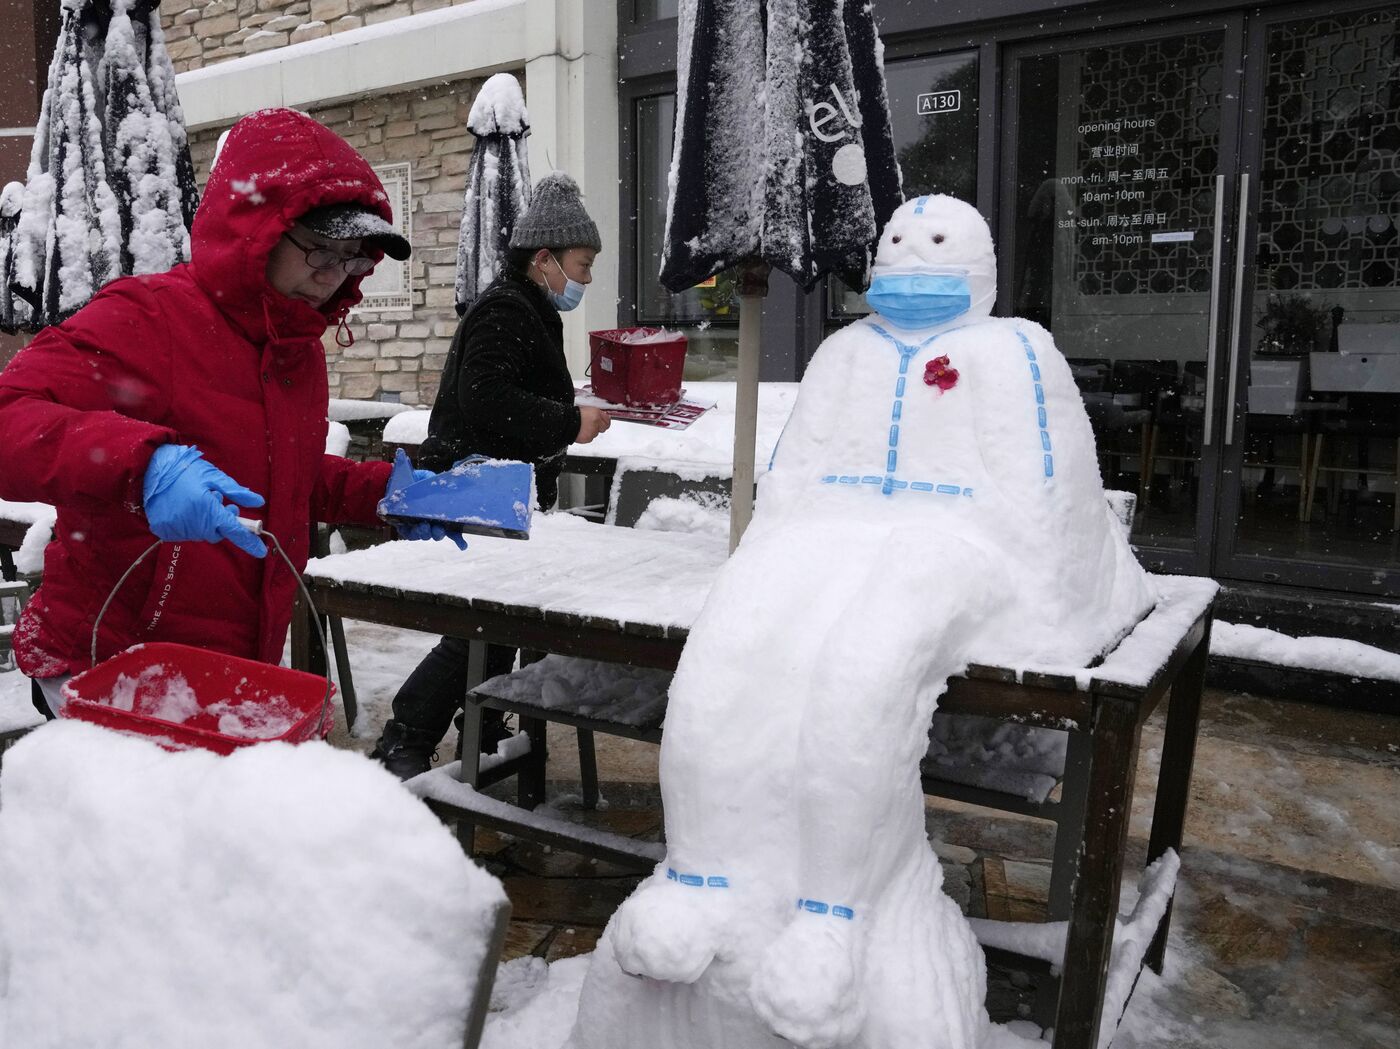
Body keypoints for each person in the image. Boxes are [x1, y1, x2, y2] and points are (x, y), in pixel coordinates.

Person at [0, 107, 452, 719]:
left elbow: (277, 479)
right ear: (255, 230)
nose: (331, 277)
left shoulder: (295, 349)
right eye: (319, 248)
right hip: (111, 663)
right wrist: (141, 464)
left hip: (229, 665)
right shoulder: (149, 316)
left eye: (352, 259)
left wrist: (389, 494)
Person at [370, 171, 611, 778]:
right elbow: (485, 398)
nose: (584, 280)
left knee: (497, 624)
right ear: (545, 259)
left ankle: (476, 726)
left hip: (501, 491)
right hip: (478, 492)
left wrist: (569, 406)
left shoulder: (527, 309)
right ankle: (408, 735)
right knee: (483, 626)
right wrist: (566, 421)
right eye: (580, 265)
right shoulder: (506, 309)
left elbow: (510, 390)